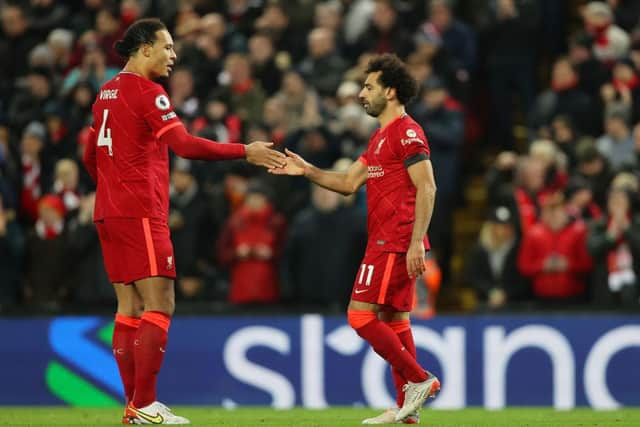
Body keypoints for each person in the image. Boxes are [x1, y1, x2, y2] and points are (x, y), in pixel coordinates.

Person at [81, 18, 285, 425]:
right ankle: (146, 403)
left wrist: (112, 188)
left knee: (128, 307)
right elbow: (186, 145)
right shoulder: (147, 91)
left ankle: (133, 407)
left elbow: (90, 156)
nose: (173, 56)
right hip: (139, 210)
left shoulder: (104, 92)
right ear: (143, 49)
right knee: (160, 304)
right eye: (167, 47)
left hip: (108, 211)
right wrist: (246, 151)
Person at [270, 53, 440, 424]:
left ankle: (418, 378)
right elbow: (348, 183)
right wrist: (308, 170)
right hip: (386, 239)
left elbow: (427, 187)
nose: (362, 94)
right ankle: (406, 412)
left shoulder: (407, 132)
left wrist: (415, 241)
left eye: (368, 87)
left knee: (359, 317)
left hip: (395, 241)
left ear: (391, 92)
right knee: (395, 319)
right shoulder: (380, 137)